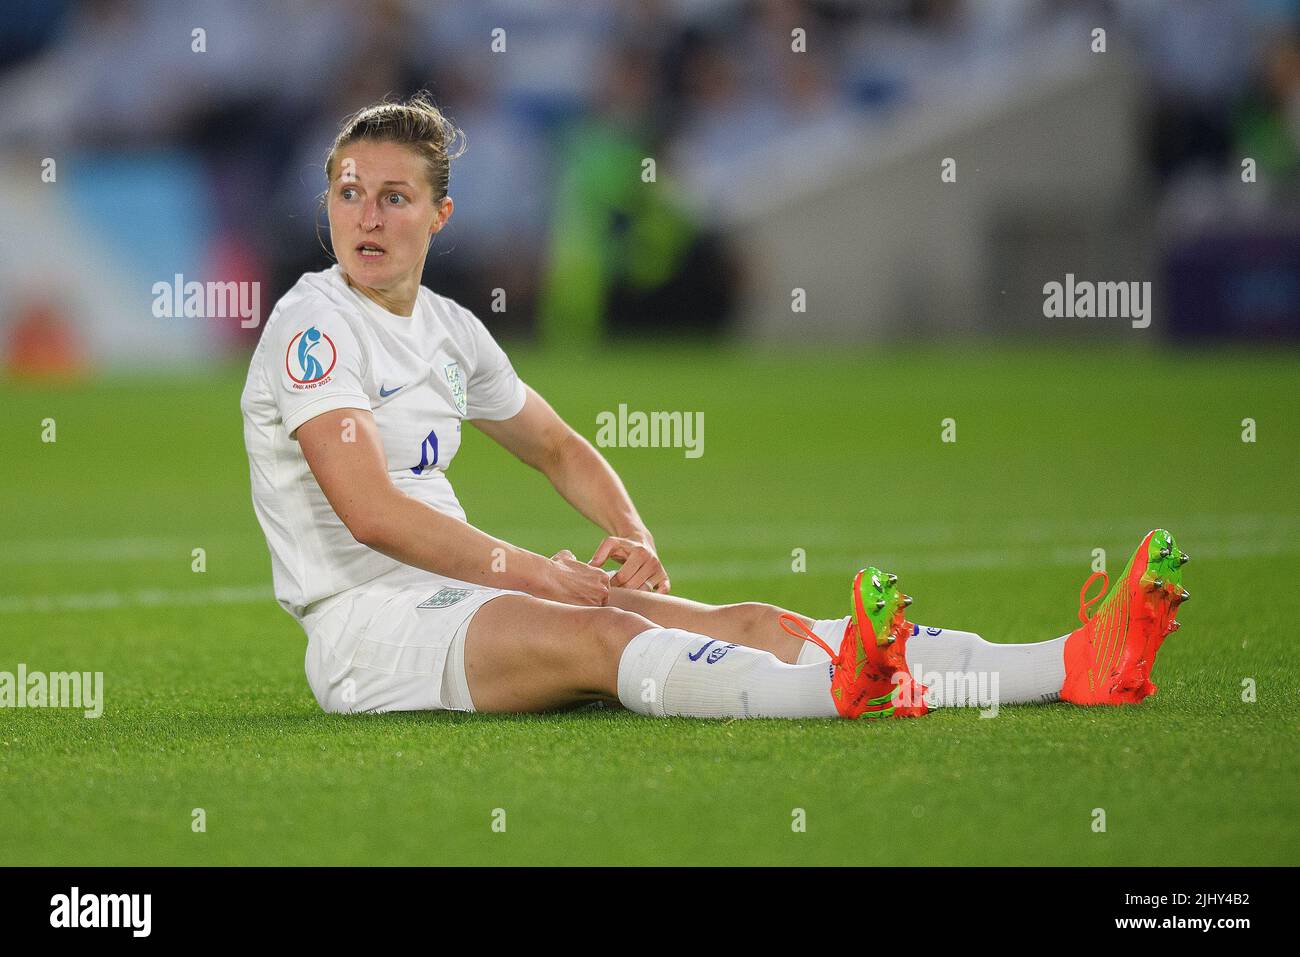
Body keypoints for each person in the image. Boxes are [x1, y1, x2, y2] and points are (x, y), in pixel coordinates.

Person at [240, 94, 1191, 720]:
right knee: (610, 633)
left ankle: (1068, 660)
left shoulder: (449, 329)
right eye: (349, 193)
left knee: (748, 617)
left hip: (468, 593)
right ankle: (837, 690)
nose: (367, 217)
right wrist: (537, 571)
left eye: (394, 197)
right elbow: (369, 512)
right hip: (368, 630)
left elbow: (558, 445)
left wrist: (631, 534)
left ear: (439, 216)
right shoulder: (311, 325)